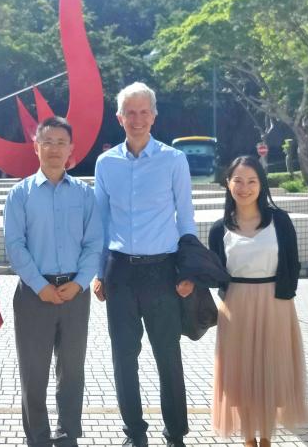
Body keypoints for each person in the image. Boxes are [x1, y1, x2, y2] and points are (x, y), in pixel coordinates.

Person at [93, 82, 196, 447]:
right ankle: (134, 434)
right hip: (119, 272)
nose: (137, 119)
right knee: (124, 357)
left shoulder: (173, 160)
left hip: (163, 271)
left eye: (144, 112)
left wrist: (188, 272)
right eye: (130, 113)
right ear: (120, 118)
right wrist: (97, 273)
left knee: (168, 355)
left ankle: (176, 434)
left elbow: (186, 220)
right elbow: (100, 224)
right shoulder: (106, 164)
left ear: (154, 115)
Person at [4, 116, 103, 447]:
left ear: (72, 148)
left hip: (75, 292)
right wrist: (39, 285)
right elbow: (15, 246)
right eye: (47, 142)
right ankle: (38, 438)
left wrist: (79, 283)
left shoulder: (85, 195)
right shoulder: (19, 195)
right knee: (34, 374)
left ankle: (67, 435)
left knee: (72, 371)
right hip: (34, 294)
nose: (54, 149)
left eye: (62, 142)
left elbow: (94, 243)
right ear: (36, 147)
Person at [208, 156, 308, 447]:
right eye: (237, 180)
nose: (244, 187)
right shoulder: (219, 228)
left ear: (262, 185)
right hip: (236, 306)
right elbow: (217, 272)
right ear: (228, 184)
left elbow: (293, 262)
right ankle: (248, 438)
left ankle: (265, 437)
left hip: (274, 303)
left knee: (271, 373)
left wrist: (285, 295)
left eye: (252, 181)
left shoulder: (280, 221)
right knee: (239, 376)